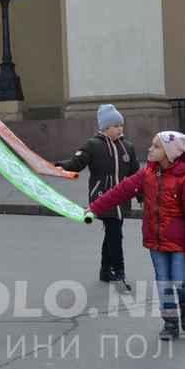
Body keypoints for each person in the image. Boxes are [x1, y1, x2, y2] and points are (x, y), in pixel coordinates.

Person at [89, 131, 185, 341]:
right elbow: (121, 191)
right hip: (155, 240)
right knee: (163, 280)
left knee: (180, 279)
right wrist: (95, 207)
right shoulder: (147, 174)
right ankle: (170, 322)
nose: (150, 149)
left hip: (180, 243)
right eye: (152, 145)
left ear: (170, 153)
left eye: (156, 146)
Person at [57, 104, 140, 284]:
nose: (120, 129)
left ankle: (105, 270)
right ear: (105, 127)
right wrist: (58, 166)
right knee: (115, 234)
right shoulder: (93, 145)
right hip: (102, 197)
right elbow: (76, 163)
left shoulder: (127, 146)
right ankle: (119, 269)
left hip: (122, 200)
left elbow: (135, 174)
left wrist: (140, 195)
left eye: (121, 125)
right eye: (115, 126)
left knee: (111, 234)